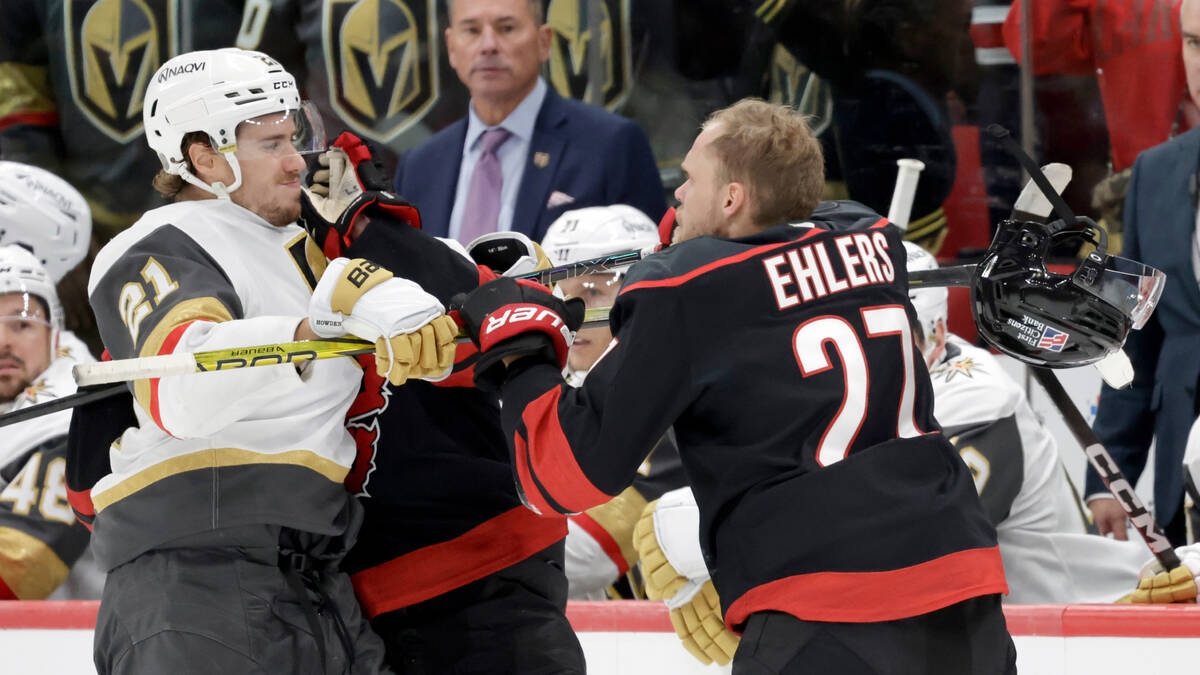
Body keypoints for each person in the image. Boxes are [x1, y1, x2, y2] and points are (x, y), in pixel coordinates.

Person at [454, 98, 1016, 673]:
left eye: (689, 179)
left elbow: (561, 478)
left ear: (731, 198)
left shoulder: (682, 290)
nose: (675, 195)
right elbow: (779, 257)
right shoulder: (874, 237)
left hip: (824, 606)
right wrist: (697, 241)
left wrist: (517, 348)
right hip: (962, 590)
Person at [82, 47, 455, 674]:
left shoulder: (303, 246)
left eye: (296, 136)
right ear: (204, 158)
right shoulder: (159, 242)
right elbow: (182, 392)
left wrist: (490, 278)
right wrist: (314, 327)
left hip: (314, 579)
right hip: (197, 583)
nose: (295, 161)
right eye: (270, 143)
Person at [296, 131, 587, 674]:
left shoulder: (432, 262)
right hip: (362, 607)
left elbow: (506, 320)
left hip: (485, 581)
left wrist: (368, 229)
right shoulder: (277, 285)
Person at [905, 242, 1148, 604]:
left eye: (884, 335)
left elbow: (916, 551)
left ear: (937, 333)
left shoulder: (978, 401)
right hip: (995, 626)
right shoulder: (921, 368)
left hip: (1063, 623)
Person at [392, 0, 666, 245]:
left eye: (507, 28)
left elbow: (648, 275)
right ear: (451, 47)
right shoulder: (419, 166)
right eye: (472, 31)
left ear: (544, 42)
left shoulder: (611, 145)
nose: (488, 45)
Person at [1085, 0, 1200, 547]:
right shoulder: (1155, 173)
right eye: (1196, 44)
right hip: (1184, 486)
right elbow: (1130, 336)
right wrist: (1111, 477)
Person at [539, 205, 688, 600]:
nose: (571, 315)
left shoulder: (672, 398)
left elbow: (584, 559)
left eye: (592, 291)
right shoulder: (548, 390)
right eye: (561, 294)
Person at [0, 243, 102, 600]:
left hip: (65, 649)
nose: (2, 342)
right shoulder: (12, 411)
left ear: (54, 338)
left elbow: (12, 572)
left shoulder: (72, 425)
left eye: (22, 324)